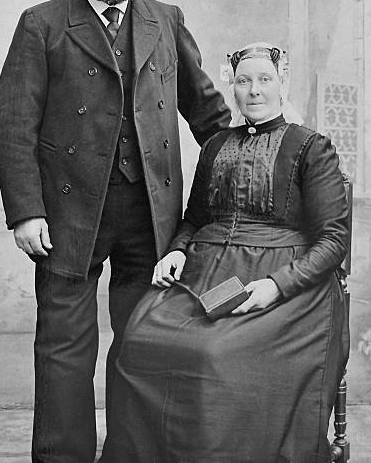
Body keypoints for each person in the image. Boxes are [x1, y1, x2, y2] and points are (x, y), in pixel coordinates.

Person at [0, 0, 231, 463]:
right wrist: (26, 211)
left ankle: (131, 452)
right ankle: (62, 456)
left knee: (142, 341)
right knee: (63, 346)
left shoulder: (165, 19)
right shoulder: (43, 22)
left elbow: (210, 116)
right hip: (67, 212)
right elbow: (12, 122)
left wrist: (254, 161)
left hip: (151, 211)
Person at [102, 42, 350, 463]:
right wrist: (177, 250)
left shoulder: (311, 148)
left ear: (281, 83)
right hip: (205, 273)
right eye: (243, 81)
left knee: (214, 353)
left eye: (265, 80)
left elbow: (333, 240)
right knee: (141, 337)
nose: (254, 90)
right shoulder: (215, 146)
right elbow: (194, 217)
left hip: (284, 282)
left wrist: (276, 285)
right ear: (232, 88)